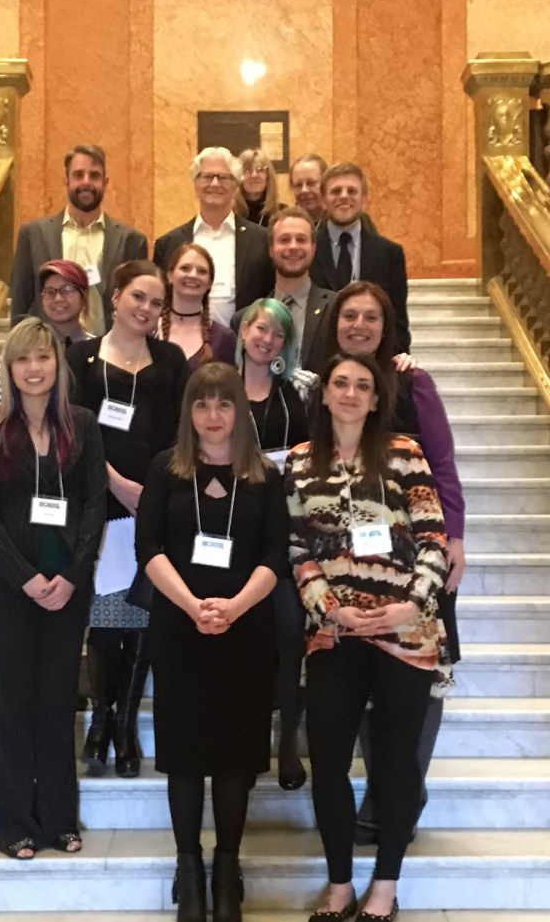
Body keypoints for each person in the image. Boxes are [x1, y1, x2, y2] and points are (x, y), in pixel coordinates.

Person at [286, 353, 451, 922]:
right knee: (329, 759)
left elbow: (433, 537)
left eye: (363, 386)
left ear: (377, 398)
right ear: (324, 394)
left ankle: (385, 884)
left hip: (406, 633)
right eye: (341, 384)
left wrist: (410, 605)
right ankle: (340, 885)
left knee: (396, 761)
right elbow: (296, 550)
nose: (352, 393)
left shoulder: (405, 453)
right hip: (335, 634)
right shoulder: (301, 463)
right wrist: (331, 609)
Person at [317, 280, 467, 848]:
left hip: (417, 559)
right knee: (361, 670)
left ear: (387, 326)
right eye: (348, 315)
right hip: (349, 565)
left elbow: (443, 464)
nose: (359, 325)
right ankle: (381, 787)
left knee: (418, 682)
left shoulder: (411, 381)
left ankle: (402, 790)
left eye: (370, 317)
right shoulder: (328, 383)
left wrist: (453, 536)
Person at [136, 362, 289, 922]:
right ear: (189, 412)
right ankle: (188, 869)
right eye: (202, 405)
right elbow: (147, 547)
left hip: (246, 632)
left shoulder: (265, 477)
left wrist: (234, 607)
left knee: (232, 757)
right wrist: (193, 606)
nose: (213, 415)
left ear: (240, 412)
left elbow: (276, 556)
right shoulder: (165, 469)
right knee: (183, 756)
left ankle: (227, 867)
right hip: (180, 630)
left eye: (224, 404)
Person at [0, 317, 108, 859]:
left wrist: (72, 577)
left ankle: (58, 818)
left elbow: (96, 503)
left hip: (67, 587)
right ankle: (11, 823)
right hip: (10, 583)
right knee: (13, 701)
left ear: (57, 365)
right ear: (9, 369)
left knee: (57, 701)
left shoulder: (82, 425)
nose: (34, 368)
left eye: (43, 358)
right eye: (23, 359)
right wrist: (25, 576)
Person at [67, 260, 189, 780]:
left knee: (141, 616)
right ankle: (101, 717)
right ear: (115, 297)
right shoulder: (81, 357)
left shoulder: (171, 358)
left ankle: (125, 727)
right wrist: (117, 483)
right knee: (103, 619)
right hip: (100, 502)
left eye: (156, 302)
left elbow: (183, 433)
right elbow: (72, 429)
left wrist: (156, 492)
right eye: (138, 296)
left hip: (154, 506)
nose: (146, 308)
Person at [235, 298, 310, 791]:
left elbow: (306, 459)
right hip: (231, 531)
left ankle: (287, 742)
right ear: (244, 331)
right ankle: (248, 733)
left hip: (281, 530)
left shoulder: (293, 396)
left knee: (288, 633)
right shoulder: (220, 389)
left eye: (278, 334)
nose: (267, 339)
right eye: (261, 329)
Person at [11, 144, 148, 333]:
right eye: (78, 175)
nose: (86, 182)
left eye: (94, 176)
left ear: (105, 182)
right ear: (66, 180)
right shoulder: (33, 235)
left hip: (108, 353)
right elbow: (20, 304)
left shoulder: (131, 241)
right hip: (49, 354)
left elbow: (138, 307)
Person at [154, 146, 274, 328]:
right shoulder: (169, 243)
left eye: (223, 177)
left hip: (244, 347)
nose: (215, 184)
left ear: (235, 187)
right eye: (207, 177)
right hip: (184, 347)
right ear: (196, 185)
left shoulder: (261, 240)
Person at [310, 163, 411, 353]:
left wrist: (400, 362)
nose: (344, 196)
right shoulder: (308, 249)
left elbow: (398, 321)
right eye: (336, 191)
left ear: (364, 199)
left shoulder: (390, 254)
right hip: (320, 359)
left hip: (374, 361)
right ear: (324, 200)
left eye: (352, 191)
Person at [0, 260, 94, 408]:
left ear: (84, 296)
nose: (58, 298)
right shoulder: (19, 345)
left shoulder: (98, 349)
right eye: (50, 292)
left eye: (67, 290)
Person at [265, 207, 337, 369]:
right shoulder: (250, 315)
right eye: (284, 240)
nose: (293, 246)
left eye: (301, 240)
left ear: (313, 248)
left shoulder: (337, 308)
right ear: (271, 249)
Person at [159, 243, 238, 371]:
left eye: (202, 271)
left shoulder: (225, 339)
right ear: (169, 276)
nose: (193, 275)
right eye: (185, 268)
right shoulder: (148, 331)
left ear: (210, 283)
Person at [234, 147, 284, 228]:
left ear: (268, 176)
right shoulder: (230, 214)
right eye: (247, 170)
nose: (254, 175)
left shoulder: (282, 213)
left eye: (260, 170)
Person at [289, 152, 328, 225]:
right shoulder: (286, 225)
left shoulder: (339, 222)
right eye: (298, 184)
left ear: (326, 183)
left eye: (311, 183)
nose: (304, 190)